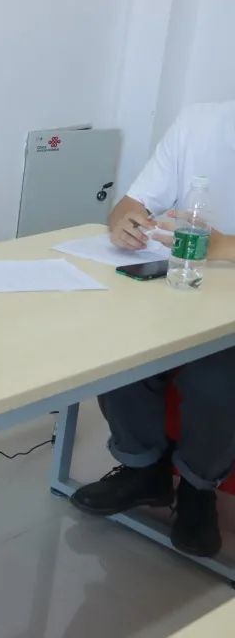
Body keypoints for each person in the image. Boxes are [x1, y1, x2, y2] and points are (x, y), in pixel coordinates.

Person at [71, 101, 235, 558]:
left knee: (216, 380)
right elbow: (132, 203)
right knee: (120, 347)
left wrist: (222, 245)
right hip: (179, 286)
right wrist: (123, 223)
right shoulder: (199, 123)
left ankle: (198, 489)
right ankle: (143, 469)